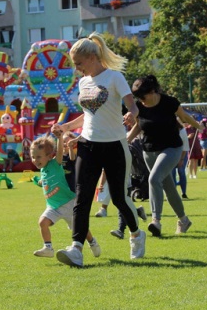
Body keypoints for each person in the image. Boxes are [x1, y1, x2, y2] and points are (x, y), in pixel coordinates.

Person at [50, 32, 146, 267]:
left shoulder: (115, 77)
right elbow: (89, 114)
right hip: (88, 145)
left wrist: (131, 115)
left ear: (92, 57)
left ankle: (136, 234)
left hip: (114, 146)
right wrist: (66, 127)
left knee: (119, 199)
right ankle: (76, 249)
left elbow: (132, 105)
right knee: (82, 198)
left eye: (79, 64)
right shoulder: (84, 82)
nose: (77, 69)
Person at [127, 75, 202, 237]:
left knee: (153, 179)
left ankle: (156, 221)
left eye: (142, 96)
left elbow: (184, 117)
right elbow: (139, 125)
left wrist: (198, 126)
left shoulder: (169, 102)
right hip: (148, 151)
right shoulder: (140, 107)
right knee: (168, 187)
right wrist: (126, 140)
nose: (141, 100)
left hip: (171, 148)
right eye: (138, 97)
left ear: (153, 91)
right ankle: (183, 220)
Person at [29, 134, 101, 259]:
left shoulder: (55, 164)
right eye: (33, 157)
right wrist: (40, 182)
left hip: (69, 204)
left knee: (80, 228)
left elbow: (60, 151)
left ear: (49, 156)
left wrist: (60, 138)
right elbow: (49, 181)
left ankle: (92, 242)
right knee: (42, 222)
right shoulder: (43, 170)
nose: (35, 160)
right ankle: (48, 248)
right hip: (53, 206)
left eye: (39, 157)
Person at [171, 120, 190, 198]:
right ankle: (173, 193)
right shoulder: (168, 131)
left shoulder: (182, 132)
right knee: (172, 174)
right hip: (171, 155)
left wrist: (181, 159)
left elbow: (185, 147)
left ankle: (184, 192)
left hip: (182, 154)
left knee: (181, 172)